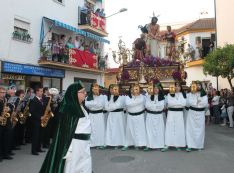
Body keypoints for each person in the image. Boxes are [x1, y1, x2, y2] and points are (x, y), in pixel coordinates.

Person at [40, 81, 92, 173]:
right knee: (73, 168)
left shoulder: (81, 107)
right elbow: (65, 132)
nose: (85, 93)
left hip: (84, 146)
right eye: (83, 92)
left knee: (85, 166)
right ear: (74, 94)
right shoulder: (70, 109)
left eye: (85, 91)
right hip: (74, 147)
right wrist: (68, 149)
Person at [162, 82, 186, 151]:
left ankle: (178, 144)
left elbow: (184, 104)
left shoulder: (183, 94)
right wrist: (178, 103)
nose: (177, 87)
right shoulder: (169, 94)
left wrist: (175, 104)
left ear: (180, 87)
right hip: (171, 113)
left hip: (179, 113)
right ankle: (168, 144)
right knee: (170, 128)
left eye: (178, 86)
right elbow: (169, 103)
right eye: (176, 86)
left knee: (179, 128)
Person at [122, 84, 147, 151]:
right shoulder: (128, 97)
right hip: (130, 116)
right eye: (133, 89)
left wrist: (134, 102)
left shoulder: (143, 97)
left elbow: (141, 103)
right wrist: (136, 102)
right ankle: (129, 144)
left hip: (140, 116)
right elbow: (128, 104)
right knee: (129, 131)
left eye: (136, 89)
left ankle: (141, 144)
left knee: (140, 131)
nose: (135, 90)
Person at [186, 81, 208, 151]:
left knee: (200, 129)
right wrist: (197, 103)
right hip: (191, 113)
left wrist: (195, 103)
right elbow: (189, 102)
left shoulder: (204, 95)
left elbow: (205, 104)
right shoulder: (190, 94)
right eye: (196, 85)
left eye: (199, 85)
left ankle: (199, 146)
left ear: (201, 86)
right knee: (190, 129)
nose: (198, 87)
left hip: (200, 114)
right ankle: (190, 145)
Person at [145, 82, 165, 150]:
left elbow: (161, 107)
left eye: (157, 88)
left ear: (159, 89)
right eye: (154, 88)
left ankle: (159, 145)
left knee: (159, 131)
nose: (156, 90)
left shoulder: (162, 97)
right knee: (150, 131)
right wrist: (156, 106)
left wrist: (152, 106)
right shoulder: (148, 96)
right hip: (150, 116)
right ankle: (150, 145)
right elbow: (147, 106)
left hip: (159, 116)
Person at [85, 83, 106, 149]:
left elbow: (101, 105)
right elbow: (87, 104)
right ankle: (92, 143)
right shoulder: (88, 97)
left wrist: (93, 104)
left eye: (97, 88)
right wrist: (96, 104)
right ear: (92, 89)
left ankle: (100, 143)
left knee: (100, 129)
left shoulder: (103, 97)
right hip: (91, 115)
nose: (96, 90)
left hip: (99, 115)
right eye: (94, 88)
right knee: (92, 129)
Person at [105, 84, 125, 149]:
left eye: (115, 89)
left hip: (119, 115)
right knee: (111, 129)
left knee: (118, 129)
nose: (114, 91)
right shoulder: (110, 97)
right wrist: (109, 107)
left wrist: (109, 107)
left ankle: (119, 143)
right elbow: (106, 107)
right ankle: (111, 143)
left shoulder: (122, 97)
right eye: (112, 89)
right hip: (111, 115)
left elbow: (117, 106)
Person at [29, 86, 45, 155]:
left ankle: (38, 148)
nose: (42, 92)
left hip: (41, 120)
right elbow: (31, 111)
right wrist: (39, 117)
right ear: (37, 92)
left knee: (40, 135)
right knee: (35, 136)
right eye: (41, 91)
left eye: (42, 91)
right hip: (36, 121)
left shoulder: (41, 99)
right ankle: (33, 150)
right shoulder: (33, 100)